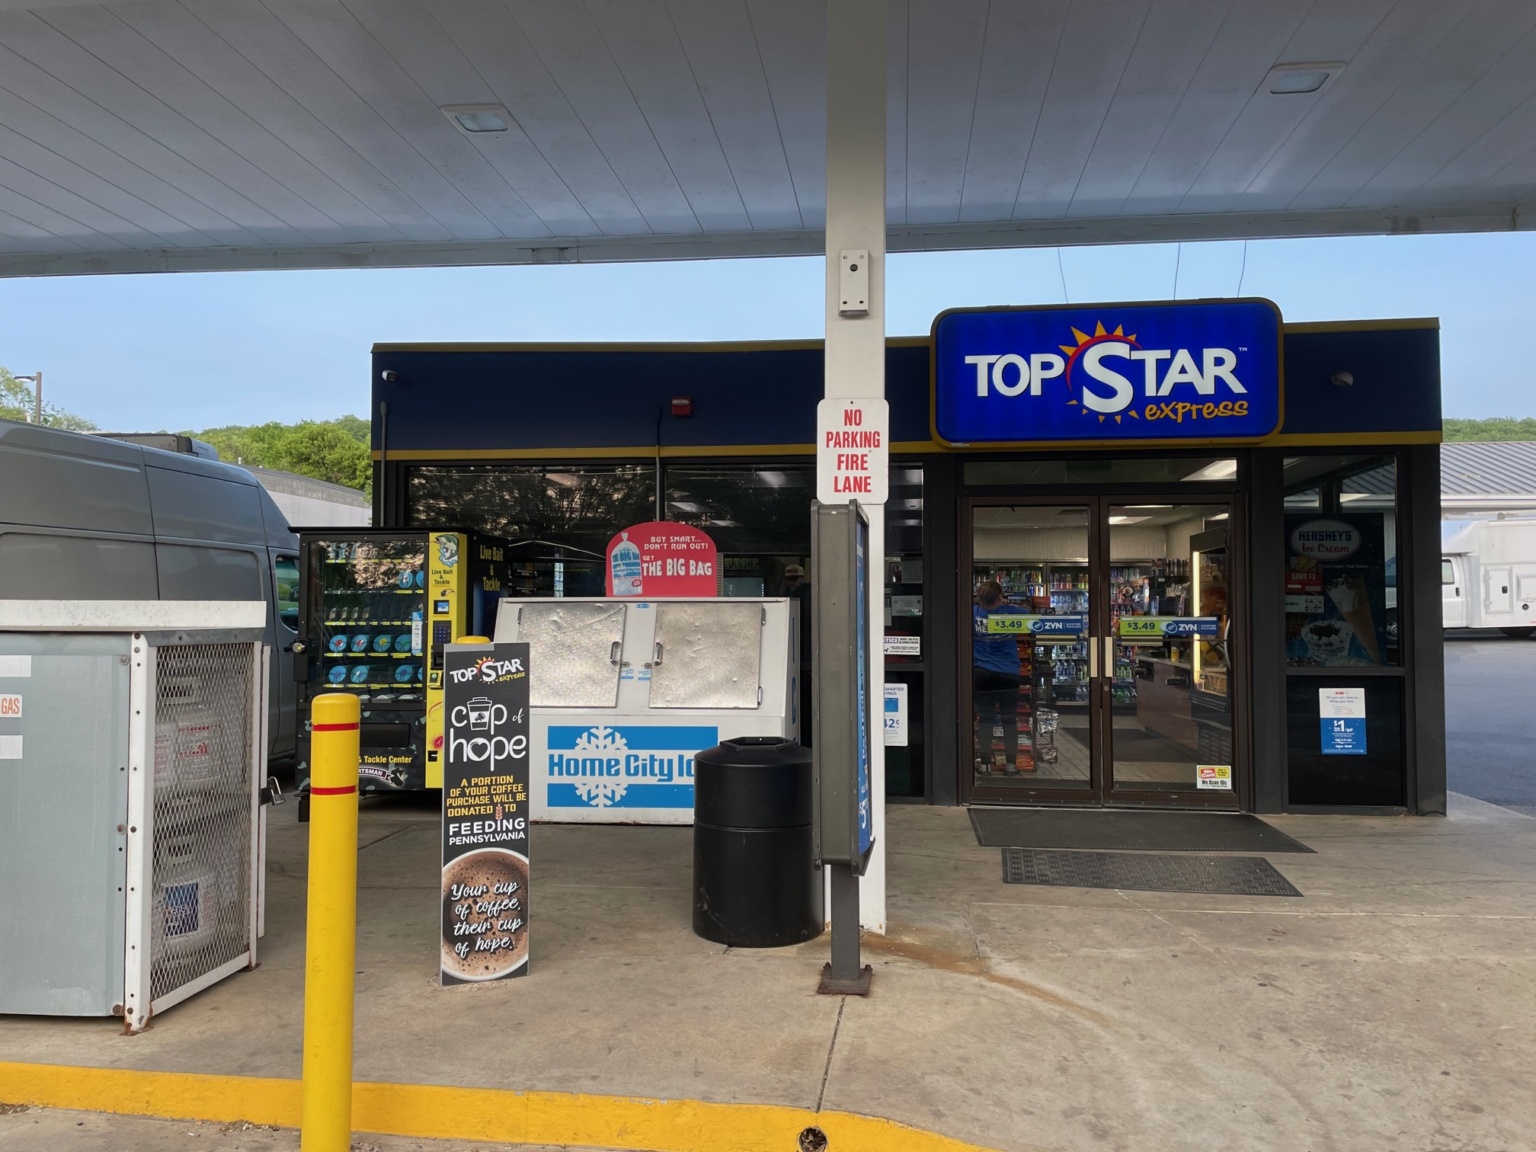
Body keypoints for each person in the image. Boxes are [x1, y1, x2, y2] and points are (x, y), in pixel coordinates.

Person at [973, 580, 1029, 776]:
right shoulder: (1011, 612)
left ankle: (985, 765)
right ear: (1000, 596)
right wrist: (1007, 603)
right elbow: (1032, 615)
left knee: (985, 719)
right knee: (1009, 720)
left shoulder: (973, 613)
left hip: (981, 673)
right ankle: (1011, 765)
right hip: (1008, 673)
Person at [781, 564, 813, 747]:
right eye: (789, 579)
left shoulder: (804, 599)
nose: (792, 583)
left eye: (795, 579)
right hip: (800, 659)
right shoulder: (787, 598)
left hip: (804, 659)